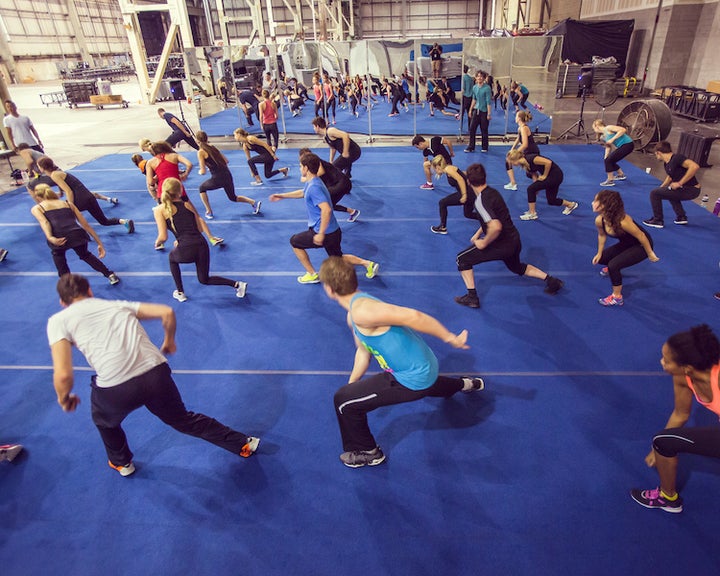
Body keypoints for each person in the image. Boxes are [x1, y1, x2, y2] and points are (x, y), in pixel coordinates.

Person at [46, 273, 259, 477]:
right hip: (155, 376)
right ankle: (242, 443)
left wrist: (65, 399)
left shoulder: (58, 321)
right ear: (90, 291)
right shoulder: (118, 306)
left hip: (116, 388)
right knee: (183, 420)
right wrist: (169, 340)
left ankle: (122, 463)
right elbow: (166, 312)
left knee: (105, 422)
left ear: (62, 302)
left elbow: (64, 375)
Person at [318, 256, 484, 468]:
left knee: (343, 401)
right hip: (424, 365)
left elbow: (414, 316)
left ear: (330, 289)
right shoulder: (357, 308)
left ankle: (369, 452)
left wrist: (449, 337)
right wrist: (353, 384)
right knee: (355, 391)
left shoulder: (362, 312)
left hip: (412, 377)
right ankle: (466, 384)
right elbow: (363, 351)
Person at [630, 324, 720, 513]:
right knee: (663, 442)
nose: (662, 362)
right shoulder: (682, 377)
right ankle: (668, 497)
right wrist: (658, 450)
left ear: (687, 367)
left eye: (667, 360)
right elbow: (681, 414)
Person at [454, 163, 564, 308]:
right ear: (485, 178)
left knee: (462, 259)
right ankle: (551, 281)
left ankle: (472, 297)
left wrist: (484, 242)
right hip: (514, 239)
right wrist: (477, 234)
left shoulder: (480, 201)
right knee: (517, 267)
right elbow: (492, 219)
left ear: (468, 181)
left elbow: (495, 226)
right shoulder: (493, 192)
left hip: (501, 245)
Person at [268, 153, 378, 284]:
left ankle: (312, 274)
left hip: (325, 233)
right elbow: (303, 193)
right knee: (338, 258)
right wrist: (282, 196)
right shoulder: (314, 181)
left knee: (295, 242)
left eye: (300, 166)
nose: (299, 168)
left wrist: (320, 234)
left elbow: (326, 209)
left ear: (306, 168)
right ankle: (368, 264)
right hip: (334, 231)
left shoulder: (314, 187)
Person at [153, 178, 247, 302]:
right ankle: (237, 285)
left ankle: (180, 292)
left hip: (186, 249)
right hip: (201, 245)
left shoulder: (159, 210)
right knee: (204, 279)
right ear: (180, 191)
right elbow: (199, 229)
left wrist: (157, 243)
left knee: (172, 258)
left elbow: (163, 237)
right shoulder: (187, 205)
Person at [30, 184, 119, 284]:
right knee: (85, 255)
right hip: (77, 234)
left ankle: (68, 285)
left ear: (37, 196)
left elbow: (45, 222)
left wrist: (50, 237)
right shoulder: (68, 204)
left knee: (58, 256)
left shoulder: (38, 208)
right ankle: (109, 274)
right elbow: (86, 225)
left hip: (59, 236)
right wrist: (99, 243)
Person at [146, 141, 223, 247]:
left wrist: (159, 176)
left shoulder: (150, 162)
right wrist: (185, 174)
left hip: (162, 194)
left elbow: (150, 182)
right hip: (178, 191)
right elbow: (189, 164)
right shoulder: (174, 156)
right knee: (195, 215)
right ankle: (211, 237)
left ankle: (163, 242)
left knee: (167, 219)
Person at [591, 190, 659, 306]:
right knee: (602, 259)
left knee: (613, 265)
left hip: (641, 245)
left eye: (597, 201)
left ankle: (617, 297)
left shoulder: (623, 221)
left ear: (606, 205)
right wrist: (599, 253)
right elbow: (601, 235)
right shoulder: (600, 220)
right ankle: (615, 266)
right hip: (627, 243)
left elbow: (641, 236)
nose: (593, 203)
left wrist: (650, 253)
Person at [37, 157, 133, 233]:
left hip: (80, 199)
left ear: (42, 167)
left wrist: (70, 205)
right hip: (88, 196)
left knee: (67, 214)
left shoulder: (54, 175)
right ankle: (124, 221)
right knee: (104, 221)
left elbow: (69, 191)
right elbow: (65, 188)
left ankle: (79, 233)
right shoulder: (58, 172)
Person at [195, 130, 261, 219]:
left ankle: (209, 211)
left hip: (217, 178)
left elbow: (203, 172)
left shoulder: (201, 152)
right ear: (207, 138)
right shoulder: (213, 147)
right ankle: (253, 202)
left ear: (197, 140)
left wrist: (201, 171)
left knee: (201, 188)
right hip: (227, 175)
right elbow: (226, 161)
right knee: (233, 197)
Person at [642, 140, 701, 228]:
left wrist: (680, 183)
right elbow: (670, 176)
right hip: (685, 189)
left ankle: (658, 220)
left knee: (654, 193)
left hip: (692, 189)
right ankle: (681, 217)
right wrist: (661, 188)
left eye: (655, 154)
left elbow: (694, 166)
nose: (656, 156)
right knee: (669, 192)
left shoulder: (677, 158)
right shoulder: (667, 163)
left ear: (658, 153)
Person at [506, 150, 578, 220]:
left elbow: (548, 162)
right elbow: (534, 174)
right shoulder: (525, 164)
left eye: (511, 162)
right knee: (551, 200)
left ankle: (532, 213)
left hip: (555, 176)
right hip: (554, 176)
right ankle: (570, 205)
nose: (512, 164)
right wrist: (536, 186)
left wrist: (544, 175)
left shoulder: (531, 158)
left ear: (515, 159)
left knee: (530, 189)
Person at [297, 147, 359, 222]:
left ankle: (351, 212)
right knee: (327, 202)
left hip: (340, 183)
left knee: (327, 202)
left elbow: (321, 172)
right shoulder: (313, 164)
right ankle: (352, 212)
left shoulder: (316, 161)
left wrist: (306, 178)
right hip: (338, 182)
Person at [429, 156, 473, 235]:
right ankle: (487, 221)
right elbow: (463, 174)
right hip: (471, 193)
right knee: (468, 214)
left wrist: (464, 195)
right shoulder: (450, 168)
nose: (435, 171)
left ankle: (443, 227)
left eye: (435, 168)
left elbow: (460, 179)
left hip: (468, 194)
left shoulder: (448, 169)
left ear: (438, 166)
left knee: (442, 203)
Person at [503, 110, 539, 191]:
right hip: (528, 151)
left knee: (531, 172)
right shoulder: (520, 128)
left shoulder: (523, 128)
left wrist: (515, 152)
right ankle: (513, 183)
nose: (515, 118)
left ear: (519, 118)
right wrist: (512, 149)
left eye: (516, 116)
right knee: (530, 172)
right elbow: (519, 138)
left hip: (531, 152)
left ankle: (535, 187)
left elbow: (525, 144)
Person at [592, 119, 634, 186]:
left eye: (594, 128)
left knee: (609, 160)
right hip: (624, 146)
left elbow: (623, 130)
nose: (594, 131)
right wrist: (605, 157)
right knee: (609, 160)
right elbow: (608, 147)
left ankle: (610, 180)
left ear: (597, 126)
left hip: (628, 144)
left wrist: (612, 139)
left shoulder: (608, 128)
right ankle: (621, 175)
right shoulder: (603, 136)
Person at [466, 72, 492, 154]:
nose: (479, 78)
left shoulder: (487, 88)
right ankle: (471, 147)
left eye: (481, 77)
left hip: (484, 112)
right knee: (472, 128)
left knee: (484, 129)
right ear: (476, 78)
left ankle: (485, 147)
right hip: (476, 110)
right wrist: (470, 110)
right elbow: (474, 99)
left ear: (484, 78)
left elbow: (488, 102)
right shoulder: (474, 87)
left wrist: (489, 113)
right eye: (478, 76)